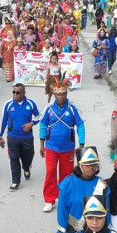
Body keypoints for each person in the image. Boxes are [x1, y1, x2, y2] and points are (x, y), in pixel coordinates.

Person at [39, 78, 85, 213]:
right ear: (53, 94)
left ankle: (64, 198)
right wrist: (41, 144)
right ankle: (49, 199)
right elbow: (42, 125)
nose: (61, 96)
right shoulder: (48, 108)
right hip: (51, 147)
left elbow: (80, 125)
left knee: (66, 175)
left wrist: (81, 143)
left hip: (68, 148)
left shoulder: (73, 107)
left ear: (66, 93)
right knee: (50, 172)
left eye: (63, 93)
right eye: (58, 94)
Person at [56, 147, 109, 233]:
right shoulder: (67, 183)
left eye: (94, 164)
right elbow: (62, 212)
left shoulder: (102, 185)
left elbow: (107, 212)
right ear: (80, 165)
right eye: (87, 164)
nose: (91, 168)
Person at [0, 83, 40, 192]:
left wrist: (32, 123)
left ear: (24, 93)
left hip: (27, 137)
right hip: (12, 137)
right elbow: (3, 120)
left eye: (18, 93)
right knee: (14, 159)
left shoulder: (30, 104)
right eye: (13, 92)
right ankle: (15, 181)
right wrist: (0, 135)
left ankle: (26, 168)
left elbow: (40, 116)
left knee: (27, 158)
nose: (15, 95)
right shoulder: (8, 104)